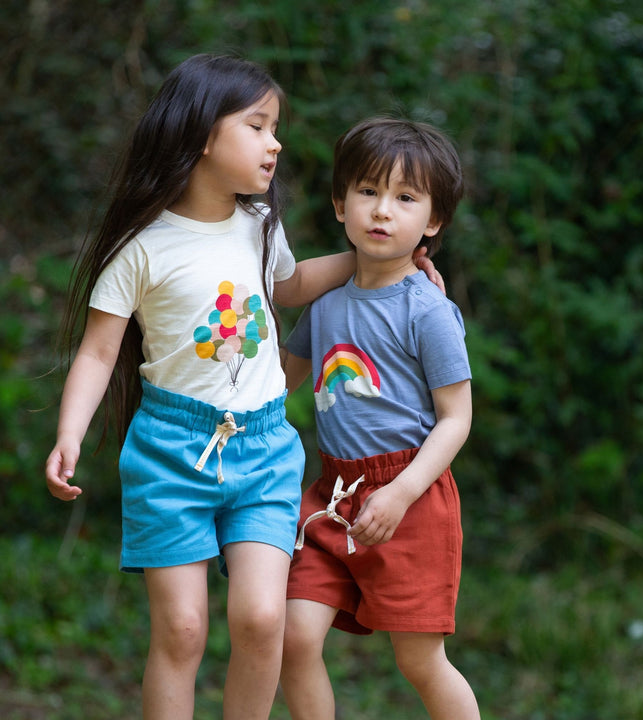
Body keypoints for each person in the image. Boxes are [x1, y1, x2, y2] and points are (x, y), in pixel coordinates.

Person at [44, 53, 365, 720]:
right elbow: (100, 353)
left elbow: (292, 287)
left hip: (266, 449)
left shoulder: (258, 226)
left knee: (260, 618)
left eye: (275, 127)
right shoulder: (142, 248)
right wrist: (69, 433)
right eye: (257, 125)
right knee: (183, 631)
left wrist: (377, 259)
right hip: (170, 453)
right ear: (200, 133)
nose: (275, 141)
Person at [279, 117, 480, 720]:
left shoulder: (429, 310)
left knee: (418, 662)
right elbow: (275, 384)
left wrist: (399, 494)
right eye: (367, 191)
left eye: (405, 197)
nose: (382, 210)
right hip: (332, 492)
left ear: (433, 221)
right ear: (340, 204)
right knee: (294, 638)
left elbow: (456, 419)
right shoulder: (326, 305)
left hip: (411, 498)